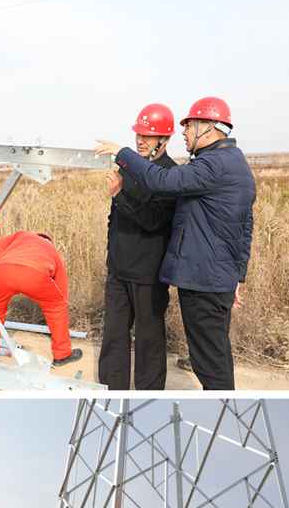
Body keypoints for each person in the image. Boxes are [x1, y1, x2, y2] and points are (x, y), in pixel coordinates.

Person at [96, 97, 256, 390]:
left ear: (208, 127)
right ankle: (112, 391)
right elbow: (245, 225)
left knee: (204, 360)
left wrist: (121, 158)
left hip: (186, 276)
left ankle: (167, 396)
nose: (185, 132)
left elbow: (158, 199)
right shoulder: (228, 162)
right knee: (207, 357)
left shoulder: (208, 166)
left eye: (190, 126)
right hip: (141, 269)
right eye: (138, 134)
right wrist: (237, 275)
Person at [99, 103, 177, 390]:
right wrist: (112, 255)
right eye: (138, 135)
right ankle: (111, 390)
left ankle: (149, 392)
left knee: (149, 339)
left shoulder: (170, 174)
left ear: (164, 140)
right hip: (118, 270)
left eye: (148, 136)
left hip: (148, 274)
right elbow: (115, 217)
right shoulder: (128, 168)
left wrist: (120, 194)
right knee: (114, 335)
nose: (141, 141)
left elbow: (154, 221)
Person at [0, 232, 82, 367]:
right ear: (49, 241)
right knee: (56, 307)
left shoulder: (21, 236)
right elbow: (61, 287)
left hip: (3, 270)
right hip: (35, 274)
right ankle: (62, 354)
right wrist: (58, 302)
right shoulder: (52, 251)